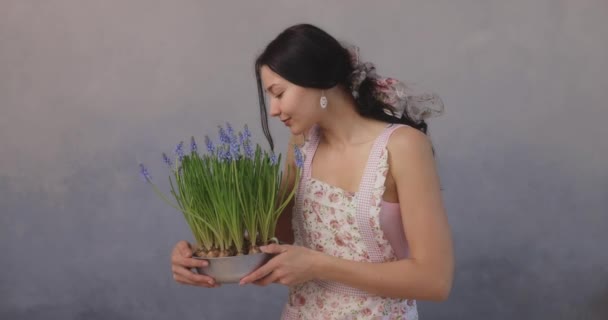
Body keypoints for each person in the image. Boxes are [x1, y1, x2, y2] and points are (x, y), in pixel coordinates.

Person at [170, 23, 454, 319]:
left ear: (318, 82)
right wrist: (202, 256)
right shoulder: (302, 145)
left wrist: (319, 265)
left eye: (278, 93)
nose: (273, 110)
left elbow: (434, 280)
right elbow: (276, 244)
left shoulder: (402, 146)